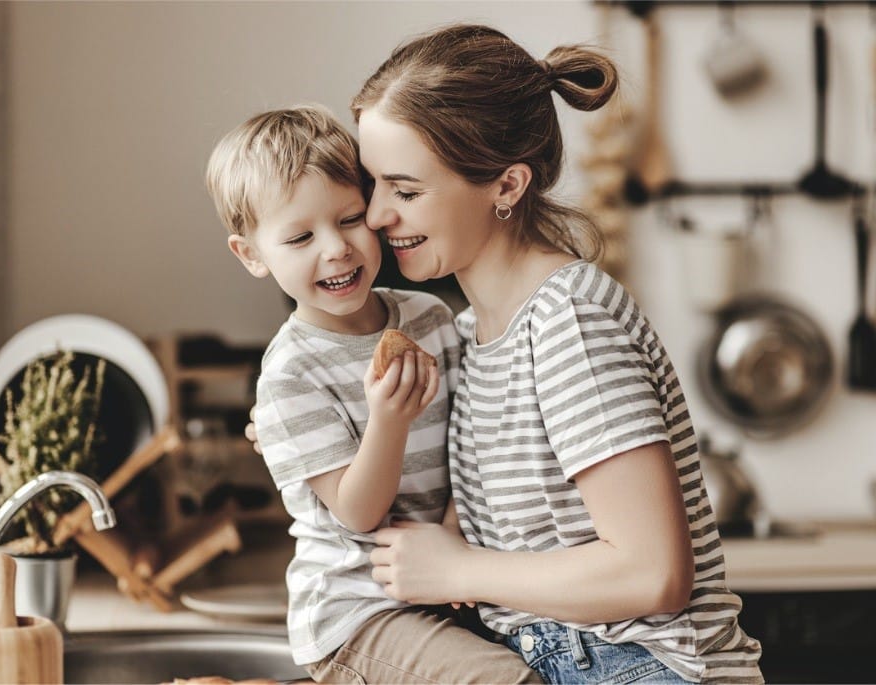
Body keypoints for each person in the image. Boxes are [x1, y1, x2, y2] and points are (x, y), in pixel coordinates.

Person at [248, 25, 763, 684]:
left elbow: (653, 571)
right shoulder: (472, 333)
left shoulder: (566, 321)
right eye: (372, 184)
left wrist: (457, 569)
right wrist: (288, 426)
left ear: (507, 186)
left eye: (405, 190)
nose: (374, 216)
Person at [205, 105, 543, 684]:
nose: (335, 248)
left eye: (351, 218)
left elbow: (476, 438)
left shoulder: (431, 317)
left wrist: (458, 535)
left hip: (448, 588)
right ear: (252, 255)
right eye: (301, 236)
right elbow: (358, 514)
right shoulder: (290, 374)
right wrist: (388, 422)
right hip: (359, 617)